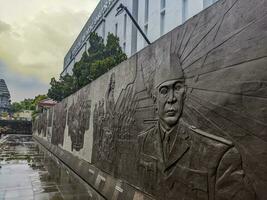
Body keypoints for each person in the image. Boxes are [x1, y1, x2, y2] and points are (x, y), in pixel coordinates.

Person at [137, 56, 256, 200]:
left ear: (185, 93)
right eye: (164, 91)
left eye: (177, 88)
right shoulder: (143, 141)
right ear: (154, 99)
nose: (171, 99)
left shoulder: (220, 155)